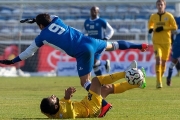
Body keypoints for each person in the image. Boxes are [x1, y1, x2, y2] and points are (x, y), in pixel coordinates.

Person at [0, 13, 148, 117]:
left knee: (85, 83)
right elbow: (49, 18)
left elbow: (28, 53)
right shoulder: (56, 19)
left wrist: (12, 61)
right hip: (89, 41)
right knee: (114, 45)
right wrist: (36, 20)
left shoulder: (42, 37)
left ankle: (103, 104)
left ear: (40, 25)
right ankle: (139, 45)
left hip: (81, 51)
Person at [40, 61, 147, 119]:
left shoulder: (49, 111)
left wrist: (66, 98)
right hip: (90, 108)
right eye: (52, 99)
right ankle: (125, 73)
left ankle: (138, 84)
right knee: (96, 81)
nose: (53, 96)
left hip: (86, 104)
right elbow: (71, 117)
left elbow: (44, 110)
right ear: (55, 106)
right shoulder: (63, 112)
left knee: (107, 88)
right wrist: (67, 99)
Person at [148, 0, 177, 88]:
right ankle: (158, 81)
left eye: (161, 4)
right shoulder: (153, 16)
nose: (160, 6)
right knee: (158, 60)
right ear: (156, 6)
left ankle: (160, 78)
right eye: (158, 4)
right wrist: (151, 28)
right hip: (156, 42)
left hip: (167, 42)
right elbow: (150, 25)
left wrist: (163, 28)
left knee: (164, 63)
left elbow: (175, 27)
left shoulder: (169, 16)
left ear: (165, 5)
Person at [84, 6, 114, 76]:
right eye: (92, 10)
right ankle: (101, 82)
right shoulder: (87, 22)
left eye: (95, 10)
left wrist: (106, 38)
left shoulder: (101, 21)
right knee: (95, 66)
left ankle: (104, 63)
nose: (93, 12)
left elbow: (111, 30)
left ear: (98, 12)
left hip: (99, 44)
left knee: (94, 62)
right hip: (90, 45)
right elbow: (85, 32)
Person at [166, 16, 180, 86]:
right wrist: (173, 30)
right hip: (177, 44)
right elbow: (170, 21)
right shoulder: (178, 19)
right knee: (174, 61)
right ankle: (169, 78)